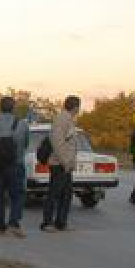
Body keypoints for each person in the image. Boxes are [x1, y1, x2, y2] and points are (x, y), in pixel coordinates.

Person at [0, 96, 30, 237]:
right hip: (16, 164)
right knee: (18, 195)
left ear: (0, 107)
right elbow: (26, 143)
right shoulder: (22, 124)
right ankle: (13, 223)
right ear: (13, 108)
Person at [41, 95, 81, 232]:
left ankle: (61, 223)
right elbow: (57, 143)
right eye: (79, 107)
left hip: (66, 164)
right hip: (60, 164)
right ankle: (47, 223)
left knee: (66, 195)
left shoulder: (68, 119)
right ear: (75, 107)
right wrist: (65, 161)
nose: (79, 110)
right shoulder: (61, 119)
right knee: (54, 194)